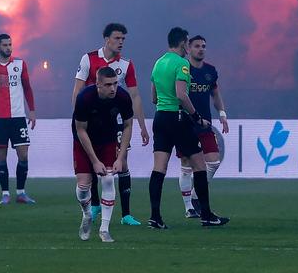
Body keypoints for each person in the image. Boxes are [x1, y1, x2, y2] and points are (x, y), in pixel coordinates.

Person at [147, 27, 229, 229]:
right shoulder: (182, 64)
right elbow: (182, 95)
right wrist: (197, 117)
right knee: (200, 166)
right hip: (178, 117)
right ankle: (207, 215)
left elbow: (153, 97)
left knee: (159, 168)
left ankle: (155, 218)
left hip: (160, 117)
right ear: (183, 43)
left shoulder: (159, 62)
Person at [72, 23, 148, 226]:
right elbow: (78, 90)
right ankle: (96, 204)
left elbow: (134, 96)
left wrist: (141, 125)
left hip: (114, 121)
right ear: (107, 39)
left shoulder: (126, 64)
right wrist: (78, 118)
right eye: (117, 38)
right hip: (91, 120)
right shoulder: (88, 58)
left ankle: (126, 214)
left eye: (123, 38)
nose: (121, 42)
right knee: (94, 163)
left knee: (121, 164)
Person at [72, 66, 134, 243]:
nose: (113, 88)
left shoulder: (122, 97)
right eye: (108, 85)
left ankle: (104, 229)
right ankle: (86, 214)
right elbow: (80, 130)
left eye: (115, 83)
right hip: (83, 140)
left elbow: (128, 125)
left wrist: (121, 157)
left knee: (108, 179)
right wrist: (94, 161)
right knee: (83, 187)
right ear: (98, 84)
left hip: (107, 139)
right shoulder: (84, 98)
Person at [0, 33, 36, 205]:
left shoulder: (20, 64)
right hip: (1, 119)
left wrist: (31, 110)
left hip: (18, 117)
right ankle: (5, 193)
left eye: (10, 44)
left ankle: (21, 192)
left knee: (23, 155)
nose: (8, 48)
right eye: (5, 45)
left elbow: (27, 88)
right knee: (1, 157)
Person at [178, 35, 229, 218]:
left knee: (213, 161)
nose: (201, 49)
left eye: (204, 46)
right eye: (197, 46)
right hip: (185, 123)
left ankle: (194, 196)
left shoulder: (210, 71)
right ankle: (188, 208)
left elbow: (215, 94)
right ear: (189, 48)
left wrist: (222, 114)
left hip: (205, 123)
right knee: (186, 164)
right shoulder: (182, 69)